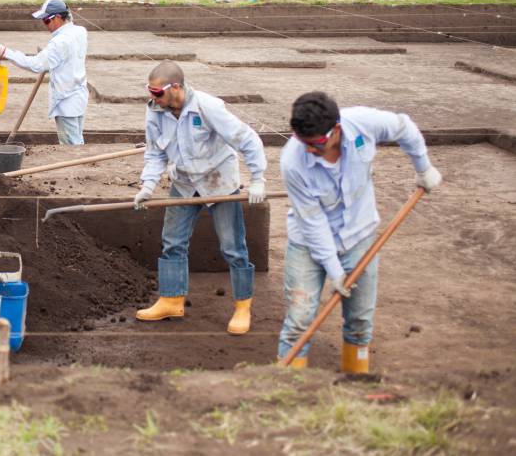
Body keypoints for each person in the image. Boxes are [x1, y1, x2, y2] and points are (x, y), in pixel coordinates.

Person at [277, 92, 442, 371]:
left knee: (360, 322)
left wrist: (423, 169)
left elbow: (405, 127)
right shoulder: (293, 161)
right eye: (304, 143)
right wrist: (334, 269)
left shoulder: (364, 123)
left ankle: (356, 386)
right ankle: (288, 391)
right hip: (308, 243)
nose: (310, 150)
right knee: (299, 320)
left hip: (360, 236)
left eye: (316, 143)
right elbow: (313, 221)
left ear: (336, 130)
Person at [132, 60, 267, 334]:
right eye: (150, 91)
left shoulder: (207, 107)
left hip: (218, 182)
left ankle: (243, 306)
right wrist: (147, 185)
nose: (152, 97)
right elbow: (155, 153)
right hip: (183, 182)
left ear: (176, 88)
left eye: (157, 92)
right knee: (172, 242)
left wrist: (258, 179)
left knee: (232, 247)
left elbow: (247, 139)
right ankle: (171, 299)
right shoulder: (155, 113)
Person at [0, 0, 88, 145]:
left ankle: (78, 167)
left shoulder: (59, 42)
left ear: (59, 18)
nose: (45, 24)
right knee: (77, 139)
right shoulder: (80, 31)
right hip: (78, 97)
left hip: (67, 102)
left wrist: (5, 52)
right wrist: (48, 56)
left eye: (47, 20)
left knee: (71, 145)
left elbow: (35, 65)